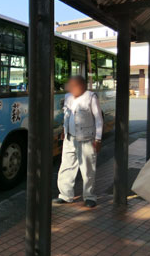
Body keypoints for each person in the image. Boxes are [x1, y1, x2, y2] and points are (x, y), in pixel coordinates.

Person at [54, 75, 103, 208]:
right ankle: (65, 195)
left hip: (87, 139)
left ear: (82, 85)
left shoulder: (91, 97)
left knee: (87, 169)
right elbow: (67, 115)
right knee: (66, 167)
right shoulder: (68, 97)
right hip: (70, 138)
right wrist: (64, 132)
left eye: (74, 85)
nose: (71, 87)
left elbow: (98, 119)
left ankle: (89, 197)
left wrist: (98, 139)